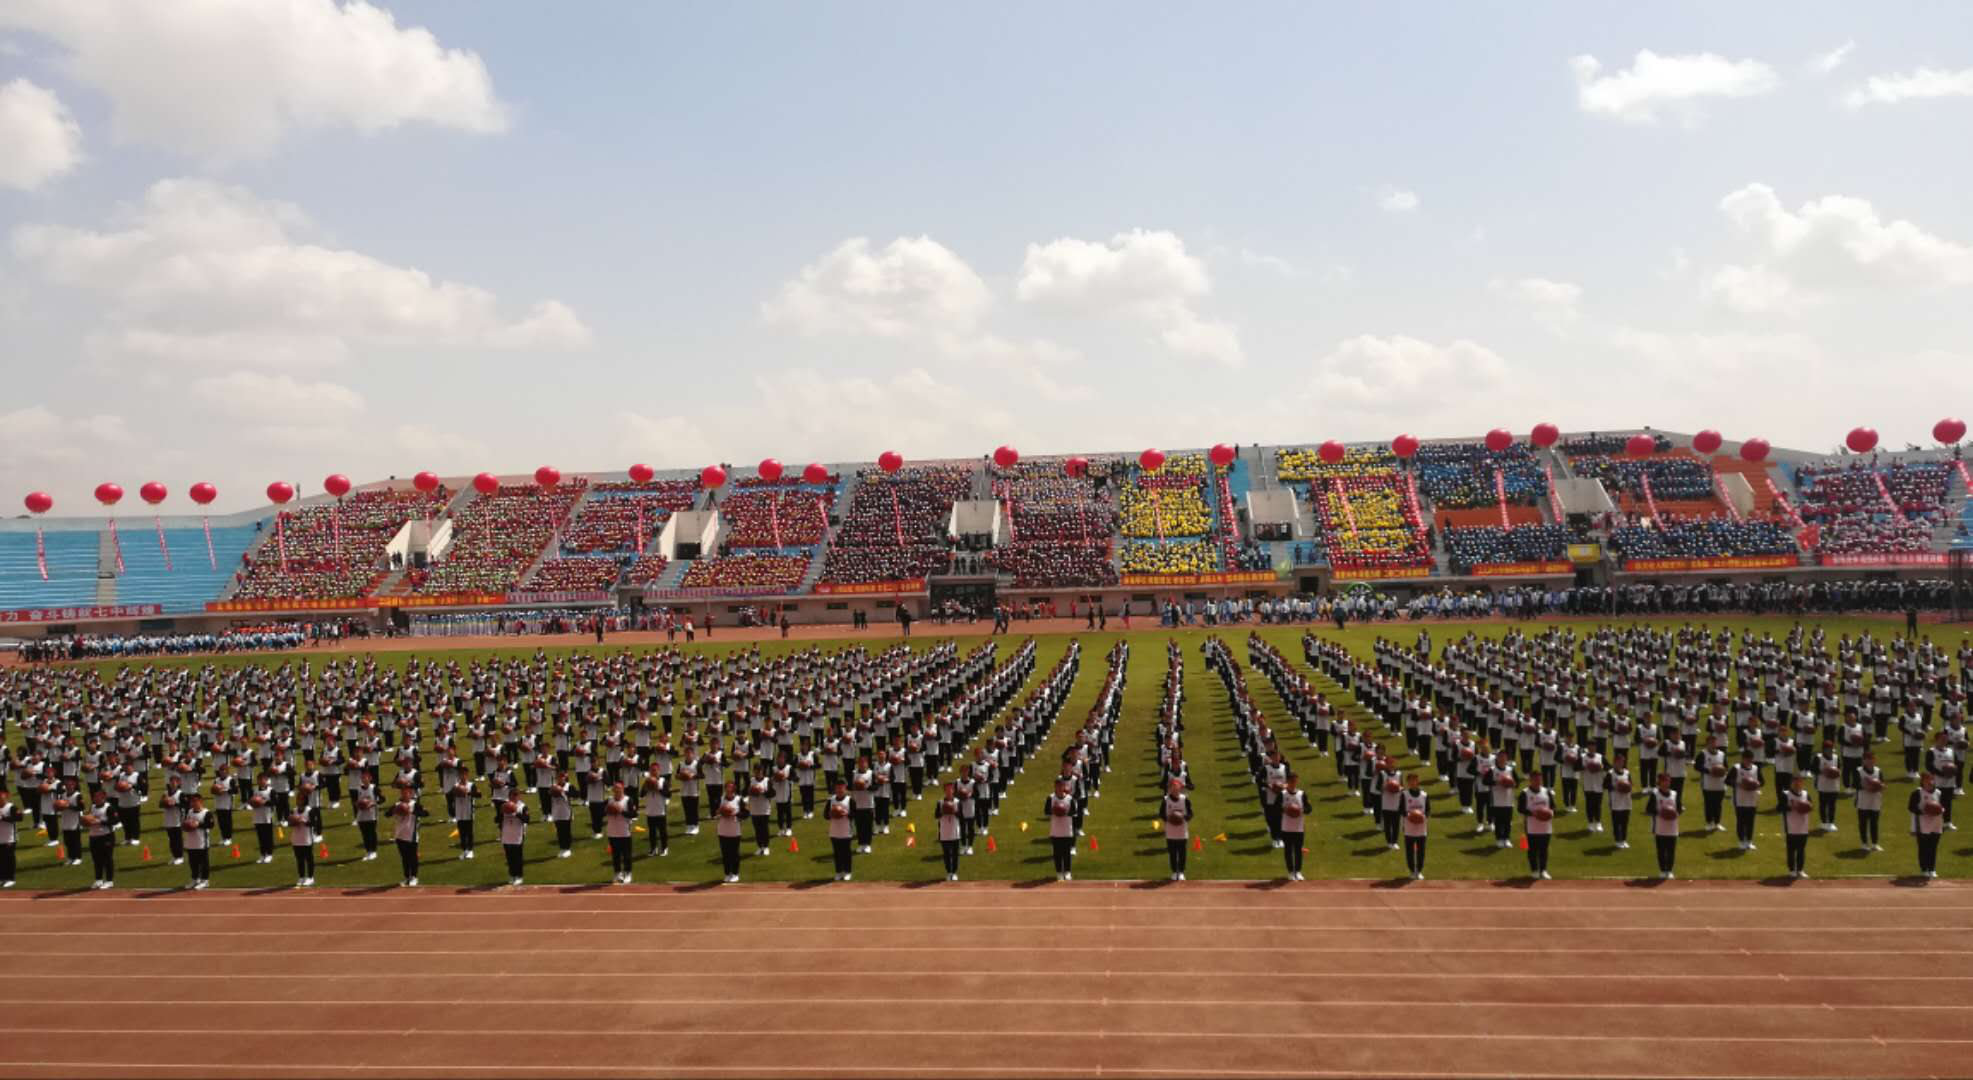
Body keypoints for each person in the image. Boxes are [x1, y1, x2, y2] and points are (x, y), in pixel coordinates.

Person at [1518, 775, 1556, 880]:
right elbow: (1520, 809)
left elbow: (1553, 806)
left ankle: (1543, 870)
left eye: (1539, 780)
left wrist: (1550, 813)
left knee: (1544, 849)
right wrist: (1533, 813)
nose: (1537, 782)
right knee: (1532, 849)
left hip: (1546, 826)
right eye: (1535, 780)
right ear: (1530, 781)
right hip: (1531, 826)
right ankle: (1534, 870)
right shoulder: (1525, 793)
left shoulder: (1546, 792)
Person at [386, 789, 427, 887]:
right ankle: (406, 877)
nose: (405, 795)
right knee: (404, 858)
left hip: (411, 835)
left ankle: (414, 876)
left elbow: (425, 813)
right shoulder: (397, 804)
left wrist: (413, 812)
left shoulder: (415, 804)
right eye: (403, 793)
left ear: (410, 794)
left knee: (413, 857)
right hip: (400, 835)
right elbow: (387, 814)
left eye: (407, 793)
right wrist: (395, 810)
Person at [1644, 773, 1679, 880]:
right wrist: (1661, 812)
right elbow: (1648, 809)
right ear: (1659, 782)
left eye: (1668, 780)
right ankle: (1662, 870)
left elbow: (1679, 808)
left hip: (1672, 827)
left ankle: (1669, 870)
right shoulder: (1655, 794)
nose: (1666, 783)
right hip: (1659, 827)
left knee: (1671, 850)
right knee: (1661, 850)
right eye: (1664, 781)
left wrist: (1675, 813)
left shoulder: (1674, 794)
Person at [1910, 772, 1946, 879]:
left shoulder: (1939, 793)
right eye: (1926, 780)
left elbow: (1944, 807)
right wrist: (1925, 811)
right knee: (1923, 847)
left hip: (1936, 824)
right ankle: (1924, 869)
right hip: (1922, 824)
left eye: (1931, 779)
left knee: (1933, 847)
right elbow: (1911, 807)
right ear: (1922, 781)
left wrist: (1939, 810)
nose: (1929, 782)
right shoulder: (1917, 793)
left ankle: (1932, 869)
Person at [1278, 773, 1312, 880]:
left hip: (1299, 827)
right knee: (1288, 850)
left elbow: (1309, 808)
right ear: (1288, 781)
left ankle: (1298, 871)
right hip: (1286, 827)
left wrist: (1300, 810)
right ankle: (1290, 872)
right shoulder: (1282, 794)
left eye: (1295, 781)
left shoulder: (1302, 794)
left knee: (1298, 850)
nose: (1293, 783)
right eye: (1291, 781)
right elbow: (1275, 807)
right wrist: (1286, 810)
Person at [83, 788, 118, 888]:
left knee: (107, 858)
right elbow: (88, 819)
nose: (95, 798)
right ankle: (98, 879)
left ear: (103, 797)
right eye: (94, 797)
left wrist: (100, 822)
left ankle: (109, 880)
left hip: (106, 836)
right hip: (93, 836)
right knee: (96, 859)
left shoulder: (109, 808)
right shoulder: (93, 807)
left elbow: (115, 821)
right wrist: (85, 822)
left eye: (98, 797)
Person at [1782, 777, 1815, 880]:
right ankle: (1792, 870)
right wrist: (1792, 807)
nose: (1798, 784)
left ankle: (1800, 870)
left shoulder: (1806, 794)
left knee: (1801, 849)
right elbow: (1780, 807)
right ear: (1792, 783)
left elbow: (1811, 806)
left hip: (1803, 827)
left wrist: (1806, 807)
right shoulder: (1786, 794)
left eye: (1800, 782)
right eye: (1795, 782)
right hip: (1791, 826)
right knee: (1791, 850)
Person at [1161, 779, 1194, 881]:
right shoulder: (1166, 800)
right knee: (1172, 853)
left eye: (1177, 788)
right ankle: (1174, 872)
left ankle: (1181, 872)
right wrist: (1169, 819)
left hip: (1182, 832)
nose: (1175, 790)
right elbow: (1161, 814)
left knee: (1182, 853)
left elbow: (1190, 814)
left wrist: (1182, 818)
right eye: (1173, 788)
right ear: (1170, 789)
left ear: (1180, 788)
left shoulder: (1185, 799)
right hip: (1170, 832)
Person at [1730, 750, 1763, 851]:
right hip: (1740, 799)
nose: (1749, 761)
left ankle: (1749, 841)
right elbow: (1727, 780)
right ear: (1743, 758)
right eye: (1747, 759)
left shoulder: (1756, 768)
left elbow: (1762, 781)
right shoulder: (1736, 768)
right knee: (1741, 821)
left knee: (1750, 822)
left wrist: (1757, 784)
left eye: (1750, 759)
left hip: (1752, 799)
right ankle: (1741, 841)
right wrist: (1739, 784)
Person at [1044, 779, 1076, 881]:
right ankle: (1059, 872)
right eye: (1057, 786)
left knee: (1067, 853)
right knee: (1057, 853)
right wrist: (1054, 810)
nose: (1058, 788)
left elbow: (1074, 812)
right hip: (1055, 830)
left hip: (1067, 829)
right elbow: (1046, 811)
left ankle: (1067, 872)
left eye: (1060, 786)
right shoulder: (1051, 798)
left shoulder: (1069, 799)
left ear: (1064, 787)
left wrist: (1064, 811)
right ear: (1055, 787)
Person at [1399, 773, 1430, 880]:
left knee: (1421, 851)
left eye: (1415, 780)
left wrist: (1422, 817)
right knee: (1410, 852)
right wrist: (1411, 816)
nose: (1413, 782)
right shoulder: (1404, 795)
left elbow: (1428, 810)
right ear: (1408, 782)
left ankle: (1419, 871)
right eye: (1410, 780)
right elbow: (1401, 810)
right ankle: (1412, 871)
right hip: (1409, 828)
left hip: (1421, 828)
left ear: (1418, 781)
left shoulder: (1424, 795)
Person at [603, 783, 635, 884]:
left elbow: (633, 814)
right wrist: (608, 810)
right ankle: (617, 873)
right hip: (612, 833)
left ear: (623, 790)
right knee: (615, 855)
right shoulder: (609, 800)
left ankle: (628, 873)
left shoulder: (627, 800)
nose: (617, 791)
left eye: (619, 789)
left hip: (625, 832)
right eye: (615, 789)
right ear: (613, 790)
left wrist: (621, 811)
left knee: (627, 855)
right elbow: (601, 812)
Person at [714, 785, 746, 883]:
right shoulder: (720, 799)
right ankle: (727, 873)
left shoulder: (739, 800)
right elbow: (713, 813)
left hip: (735, 830)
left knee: (735, 853)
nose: (729, 790)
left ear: (734, 790)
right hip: (722, 830)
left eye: (731, 788)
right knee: (725, 854)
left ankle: (735, 873)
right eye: (727, 788)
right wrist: (720, 812)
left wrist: (735, 814)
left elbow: (746, 813)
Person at [1855, 752, 1885, 853]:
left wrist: (1880, 787)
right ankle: (1864, 843)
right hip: (1863, 801)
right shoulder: (1859, 771)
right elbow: (1855, 784)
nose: (1869, 761)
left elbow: (1882, 783)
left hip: (1875, 801)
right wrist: (1867, 787)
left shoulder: (1878, 771)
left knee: (1874, 823)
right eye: (1867, 759)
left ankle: (1875, 843)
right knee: (1863, 823)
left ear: (1874, 760)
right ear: (1863, 760)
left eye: (1871, 759)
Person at [180, 793, 211, 890]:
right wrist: (186, 825)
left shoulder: (206, 813)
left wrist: (198, 824)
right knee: (193, 862)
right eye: (192, 801)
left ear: (200, 802)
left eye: (195, 801)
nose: (193, 803)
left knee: (203, 862)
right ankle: (195, 879)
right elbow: (185, 823)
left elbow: (210, 825)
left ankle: (205, 880)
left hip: (202, 842)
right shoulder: (189, 812)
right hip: (191, 842)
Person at [826, 782, 855, 881]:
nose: (839, 790)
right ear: (835, 789)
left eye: (841, 788)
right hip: (834, 831)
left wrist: (847, 813)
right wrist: (832, 813)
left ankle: (847, 872)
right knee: (837, 853)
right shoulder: (831, 800)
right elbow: (825, 815)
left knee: (846, 853)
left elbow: (855, 814)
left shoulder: (850, 800)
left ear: (845, 789)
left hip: (846, 831)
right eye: (837, 788)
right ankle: (839, 872)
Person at [498, 799, 531, 887]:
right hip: (506, 835)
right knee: (509, 858)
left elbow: (527, 819)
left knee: (517, 857)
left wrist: (516, 813)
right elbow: (496, 820)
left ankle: (519, 876)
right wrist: (501, 812)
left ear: (518, 796)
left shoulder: (522, 807)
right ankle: (512, 875)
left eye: (514, 796)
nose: (512, 798)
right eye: (510, 796)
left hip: (518, 835)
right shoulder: (505, 806)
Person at [936, 782, 964, 881]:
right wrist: (943, 811)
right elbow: (936, 816)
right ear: (945, 791)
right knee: (946, 854)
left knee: (955, 854)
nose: (949, 791)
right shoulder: (940, 802)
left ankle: (954, 872)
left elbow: (961, 816)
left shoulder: (957, 802)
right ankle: (949, 872)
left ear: (953, 790)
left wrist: (953, 811)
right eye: (947, 789)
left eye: (951, 789)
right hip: (944, 832)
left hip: (955, 832)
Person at [287, 807, 317, 887]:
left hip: (307, 839)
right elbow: (289, 822)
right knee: (299, 859)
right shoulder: (294, 810)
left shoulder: (309, 810)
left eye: (301, 799)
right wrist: (293, 821)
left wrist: (303, 821)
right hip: (296, 839)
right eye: (298, 799)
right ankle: (301, 877)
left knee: (309, 859)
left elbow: (313, 823)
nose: (299, 801)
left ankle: (310, 877)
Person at [0, 790, 19, 888]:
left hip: (10, 838)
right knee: (1, 859)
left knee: (9, 858)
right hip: (0, 838)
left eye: (2, 794)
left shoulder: (11, 807)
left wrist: (4, 819)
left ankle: (11, 878)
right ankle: (2, 878)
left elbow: (19, 817)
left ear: (6, 795)